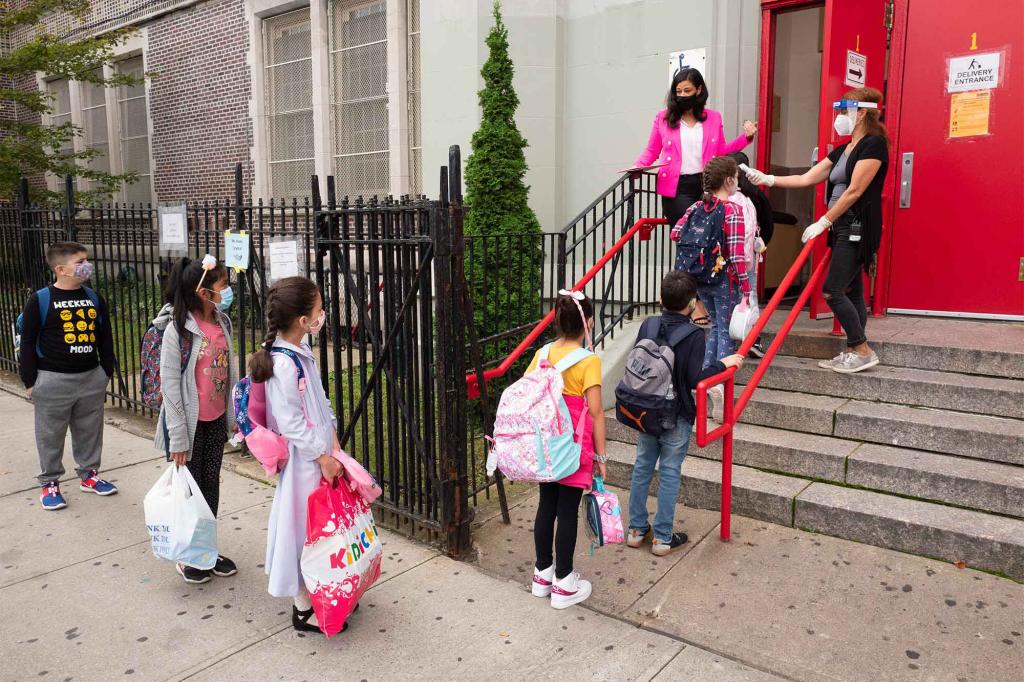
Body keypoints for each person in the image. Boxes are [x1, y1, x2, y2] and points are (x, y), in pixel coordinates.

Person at [744, 87, 889, 374]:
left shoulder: (874, 145)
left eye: (843, 111)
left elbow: (855, 191)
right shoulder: (844, 149)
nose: (839, 118)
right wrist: (768, 178)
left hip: (856, 224)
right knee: (853, 291)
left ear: (860, 113)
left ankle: (861, 348)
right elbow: (807, 177)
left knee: (833, 291)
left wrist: (824, 221)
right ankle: (853, 350)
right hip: (842, 225)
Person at [253, 277, 350, 634]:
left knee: (320, 529)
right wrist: (322, 456)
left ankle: (321, 590)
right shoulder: (283, 364)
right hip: (305, 463)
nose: (323, 313)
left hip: (319, 453)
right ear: (302, 320)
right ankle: (303, 605)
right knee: (302, 530)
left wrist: (333, 441)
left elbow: (319, 403)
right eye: (318, 309)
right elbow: (290, 421)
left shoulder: (300, 353)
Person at [627, 271, 743, 555]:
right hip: (675, 414)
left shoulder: (648, 325)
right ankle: (663, 537)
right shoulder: (693, 335)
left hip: (645, 409)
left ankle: (636, 529)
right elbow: (695, 380)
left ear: (660, 299)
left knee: (642, 466)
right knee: (669, 472)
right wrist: (723, 364)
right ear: (692, 303)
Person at [153, 256, 238, 584]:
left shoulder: (222, 322)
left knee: (210, 486)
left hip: (215, 420)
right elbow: (170, 386)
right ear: (203, 292)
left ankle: (207, 550)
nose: (227, 290)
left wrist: (230, 416)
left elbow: (227, 374)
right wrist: (177, 438)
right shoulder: (178, 330)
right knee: (191, 492)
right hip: (188, 426)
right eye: (222, 285)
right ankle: (190, 555)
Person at [19, 241, 117, 510]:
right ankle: (50, 482)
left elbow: (105, 336)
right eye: (80, 261)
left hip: (90, 377)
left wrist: (105, 371)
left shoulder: (94, 297)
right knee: (50, 433)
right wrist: (30, 381)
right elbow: (27, 341)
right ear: (60, 268)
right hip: (52, 378)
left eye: (87, 259)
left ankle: (89, 475)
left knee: (89, 430)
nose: (87, 265)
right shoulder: (40, 299)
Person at [526, 291, 606, 610]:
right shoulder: (589, 361)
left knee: (547, 503)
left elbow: (528, 389)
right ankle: (564, 581)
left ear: (558, 323)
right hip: (574, 445)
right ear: (587, 323)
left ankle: (542, 575)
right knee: (567, 509)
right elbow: (597, 412)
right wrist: (601, 457)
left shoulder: (543, 353)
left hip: (546, 442)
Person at [674, 156, 751, 424]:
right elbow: (737, 253)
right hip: (724, 278)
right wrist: (746, 287)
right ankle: (719, 384)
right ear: (729, 180)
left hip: (700, 278)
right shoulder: (733, 210)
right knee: (725, 330)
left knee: (715, 327)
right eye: (737, 179)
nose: (737, 183)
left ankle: (704, 379)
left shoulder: (697, 206)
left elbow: (676, 233)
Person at [634, 68, 758, 229]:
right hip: (677, 187)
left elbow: (721, 151)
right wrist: (637, 167)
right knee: (688, 234)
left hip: (708, 185)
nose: (682, 95)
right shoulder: (663, 118)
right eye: (678, 91)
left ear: (699, 90)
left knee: (709, 235)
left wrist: (746, 138)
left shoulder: (713, 117)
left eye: (687, 90)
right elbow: (652, 150)